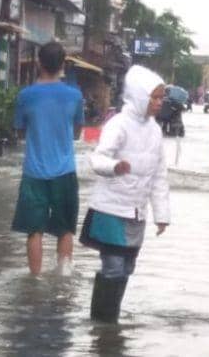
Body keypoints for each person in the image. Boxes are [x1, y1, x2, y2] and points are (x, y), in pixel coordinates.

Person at [81, 65, 171, 323]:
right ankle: (103, 324)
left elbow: (159, 175)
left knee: (127, 268)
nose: (158, 103)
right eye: (154, 97)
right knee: (113, 267)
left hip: (136, 212)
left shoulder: (154, 130)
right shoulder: (118, 125)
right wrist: (114, 167)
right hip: (110, 209)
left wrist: (161, 214)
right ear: (140, 96)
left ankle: (109, 321)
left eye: (160, 98)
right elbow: (97, 158)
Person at [11, 41, 84, 275]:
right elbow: (77, 133)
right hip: (65, 171)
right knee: (65, 230)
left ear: (39, 62)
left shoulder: (26, 96)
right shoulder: (74, 96)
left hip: (34, 172)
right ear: (63, 65)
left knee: (34, 230)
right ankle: (63, 277)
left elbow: (20, 131)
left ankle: (34, 280)